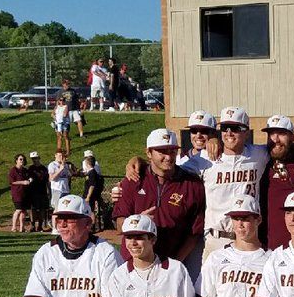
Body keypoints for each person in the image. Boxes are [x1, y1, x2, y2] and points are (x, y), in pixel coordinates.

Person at [112, 127, 205, 269]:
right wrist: (137, 221)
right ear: (148, 153)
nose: (168, 157)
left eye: (172, 151)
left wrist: (175, 265)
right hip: (134, 265)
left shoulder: (192, 185)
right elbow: (119, 224)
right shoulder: (133, 181)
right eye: (162, 151)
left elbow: (194, 233)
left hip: (171, 264)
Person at [201, 107, 268, 258]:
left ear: (246, 132)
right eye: (225, 128)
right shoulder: (205, 157)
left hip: (248, 239)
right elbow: (171, 167)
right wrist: (137, 161)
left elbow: (283, 149)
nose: (229, 133)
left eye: (236, 128)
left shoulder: (258, 154)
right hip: (216, 238)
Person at [262, 114, 294, 250]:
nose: (275, 139)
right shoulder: (260, 161)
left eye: (282, 134)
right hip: (271, 247)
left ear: (293, 138)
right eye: (271, 134)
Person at [179, 111, 218, 175]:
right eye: (194, 131)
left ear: (214, 133)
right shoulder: (179, 159)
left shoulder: (221, 156)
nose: (198, 135)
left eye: (204, 131)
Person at [27, 151, 50, 231]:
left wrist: (48, 190)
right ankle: (32, 225)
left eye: (36, 158)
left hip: (42, 190)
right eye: (33, 159)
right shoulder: (30, 169)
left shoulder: (44, 168)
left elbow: (47, 180)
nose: (34, 160)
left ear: (39, 158)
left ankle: (40, 225)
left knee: (42, 209)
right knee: (33, 209)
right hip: (33, 191)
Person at [9, 153, 31, 232]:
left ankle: (22, 227)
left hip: (25, 193)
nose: (22, 161)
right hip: (17, 193)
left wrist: (29, 180)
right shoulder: (13, 170)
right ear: (16, 160)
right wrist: (23, 182)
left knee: (24, 210)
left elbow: (29, 178)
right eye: (20, 159)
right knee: (18, 209)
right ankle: (14, 227)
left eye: (23, 159)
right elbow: (12, 182)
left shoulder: (25, 170)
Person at [81, 156, 105, 229]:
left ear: (87, 164)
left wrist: (88, 196)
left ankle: (92, 226)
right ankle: (91, 225)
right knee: (89, 210)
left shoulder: (92, 173)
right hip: (89, 195)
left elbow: (92, 186)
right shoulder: (91, 172)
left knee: (90, 210)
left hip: (90, 195)